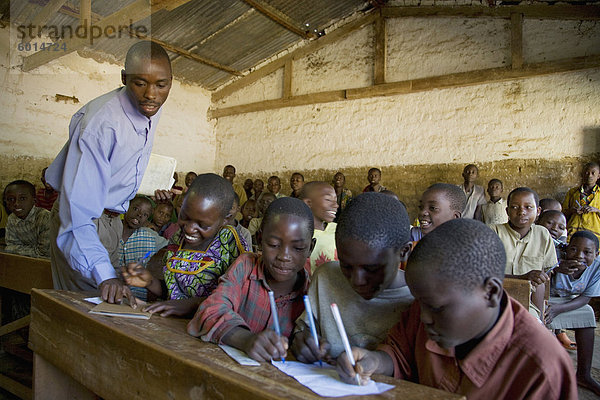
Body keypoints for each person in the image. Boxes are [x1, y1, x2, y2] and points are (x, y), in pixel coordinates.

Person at [336, 218, 577, 400]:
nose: (423, 317)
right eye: (419, 302)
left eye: (437, 308)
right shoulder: (426, 311)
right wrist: (375, 361)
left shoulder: (542, 370)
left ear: (490, 293)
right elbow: (400, 356)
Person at [45, 41, 172, 305]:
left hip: (114, 221)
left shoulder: (151, 108)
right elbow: (76, 213)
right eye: (140, 83)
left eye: (161, 85)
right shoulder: (101, 124)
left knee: (111, 307)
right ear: (124, 78)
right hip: (84, 224)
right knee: (85, 307)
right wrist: (104, 274)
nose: (151, 94)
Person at [291, 193, 414, 363]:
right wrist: (302, 340)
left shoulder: (418, 300)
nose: (357, 280)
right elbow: (304, 330)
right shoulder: (326, 279)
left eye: (372, 268)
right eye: (346, 266)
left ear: (404, 252)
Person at [187, 197, 313, 362]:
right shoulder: (245, 267)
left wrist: (309, 346)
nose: (284, 257)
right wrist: (246, 339)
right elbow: (210, 311)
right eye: (274, 244)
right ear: (260, 240)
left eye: (298, 248)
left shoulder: (312, 293)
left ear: (311, 248)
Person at [123, 173, 249, 317]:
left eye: (202, 225)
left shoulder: (230, 243)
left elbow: (238, 300)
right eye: (184, 217)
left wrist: (190, 306)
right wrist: (150, 281)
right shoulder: (178, 238)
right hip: (169, 324)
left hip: (207, 329)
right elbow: (173, 291)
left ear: (224, 219)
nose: (189, 229)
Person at [546, 230, 600, 396]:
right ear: (566, 248)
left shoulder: (597, 267)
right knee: (542, 319)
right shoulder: (554, 254)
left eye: (587, 252)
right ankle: (546, 375)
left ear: (596, 254)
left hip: (568, 302)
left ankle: (583, 375)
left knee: (587, 313)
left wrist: (558, 309)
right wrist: (555, 268)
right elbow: (538, 278)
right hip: (546, 299)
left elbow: (585, 298)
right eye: (574, 249)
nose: (579, 255)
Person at [490, 187, 556, 318]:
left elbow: (544, 276)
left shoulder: (542, 234)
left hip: (529, 302)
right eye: (514, 207)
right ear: (507, 211)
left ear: (538, 211)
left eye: (528, 207)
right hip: (495, 298)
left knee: (534, 323)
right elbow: (484, 274)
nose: (521, 212)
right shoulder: (493, 232)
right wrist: (521, 279)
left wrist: (541, 311)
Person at [119, 196, 168, 300]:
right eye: (136, 209)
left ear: (147, 219)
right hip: (110, 291)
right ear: (127, 207)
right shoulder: (112, 229)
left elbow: (172, 246)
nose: (139, 215)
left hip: (138, 298)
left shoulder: (150, 236)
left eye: (145, 215)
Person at [4, 180, 50, 258]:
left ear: (34, 200)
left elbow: (45, 253)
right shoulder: (12, 218)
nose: (16, 203)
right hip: (26, 262)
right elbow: (10, 247)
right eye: (11, 199)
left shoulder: (45, 218)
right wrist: (35, 250)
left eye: (22, 198)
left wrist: (16, 249)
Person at [300, 181, 339, 273]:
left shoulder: (338, 229)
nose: (336, 205)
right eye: (328, 200)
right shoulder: (298, 234)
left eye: (335, 200)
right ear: (308, 203)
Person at [563, 162, 600, 241]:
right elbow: (563, 213)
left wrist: (597, 210)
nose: (589, 175)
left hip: (594, 234)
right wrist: (572, 210)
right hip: (573, 232)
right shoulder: (572, 192)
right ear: (582, 174)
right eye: (587, 172)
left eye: (593, 173)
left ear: (598, 176)